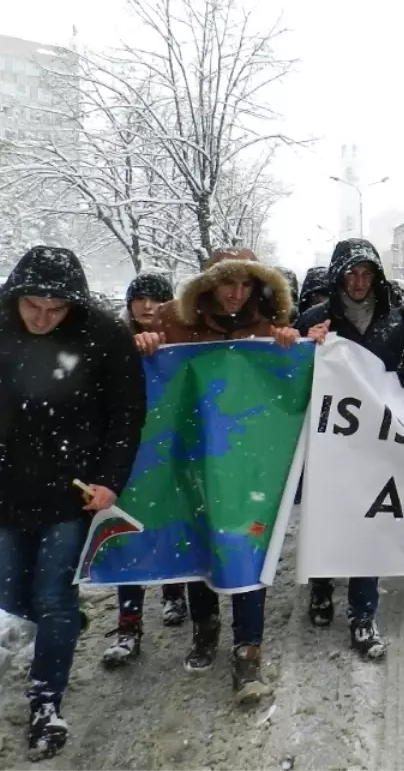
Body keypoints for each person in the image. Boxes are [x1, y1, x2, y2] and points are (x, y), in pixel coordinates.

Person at [134, 248, 301, 704]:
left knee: (247, 542)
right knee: (199, 540)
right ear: (209, 283)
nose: (236, 293)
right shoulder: (173, 321)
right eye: (229, 283)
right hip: (192, 455)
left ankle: (249, 648)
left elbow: (286, 379)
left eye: (246, 284)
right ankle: (205, 627)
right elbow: (143, 370)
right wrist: (146, 344)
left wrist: (294, 346)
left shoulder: (264, 323)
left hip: (244, 461)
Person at [0, 246, 147, 758]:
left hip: (72, 489)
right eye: (32, 306)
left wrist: (110, 478)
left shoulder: (103, 337)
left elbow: (127, 412)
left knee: (53, 593)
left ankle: (46, 703)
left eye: (54, 309)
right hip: (5, 487)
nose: (41, 318)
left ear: (73, 306)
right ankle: (62, 624)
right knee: (9, 591)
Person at [296, 238, 404, 660]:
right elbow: (296, 378)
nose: (359, 282)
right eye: (351, 273)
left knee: (368, 525)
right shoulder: (315, 318)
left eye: (366, 274)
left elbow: (400, 367)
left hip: (374, 444)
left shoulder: (394, 321)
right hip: (327, 443)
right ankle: (321, 585)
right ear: (339, 275)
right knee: (327, 519)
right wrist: (307, 346)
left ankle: (363, 613)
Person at [104, 272, 189, 669]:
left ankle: (174, 593)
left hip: (177, 450)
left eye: (158, 298)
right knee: (128, 532)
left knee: (174, 522)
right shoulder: (111, 343)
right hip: (132, 455)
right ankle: (128, 622)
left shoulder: (187, 338)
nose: (149, 305)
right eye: (140, 298)